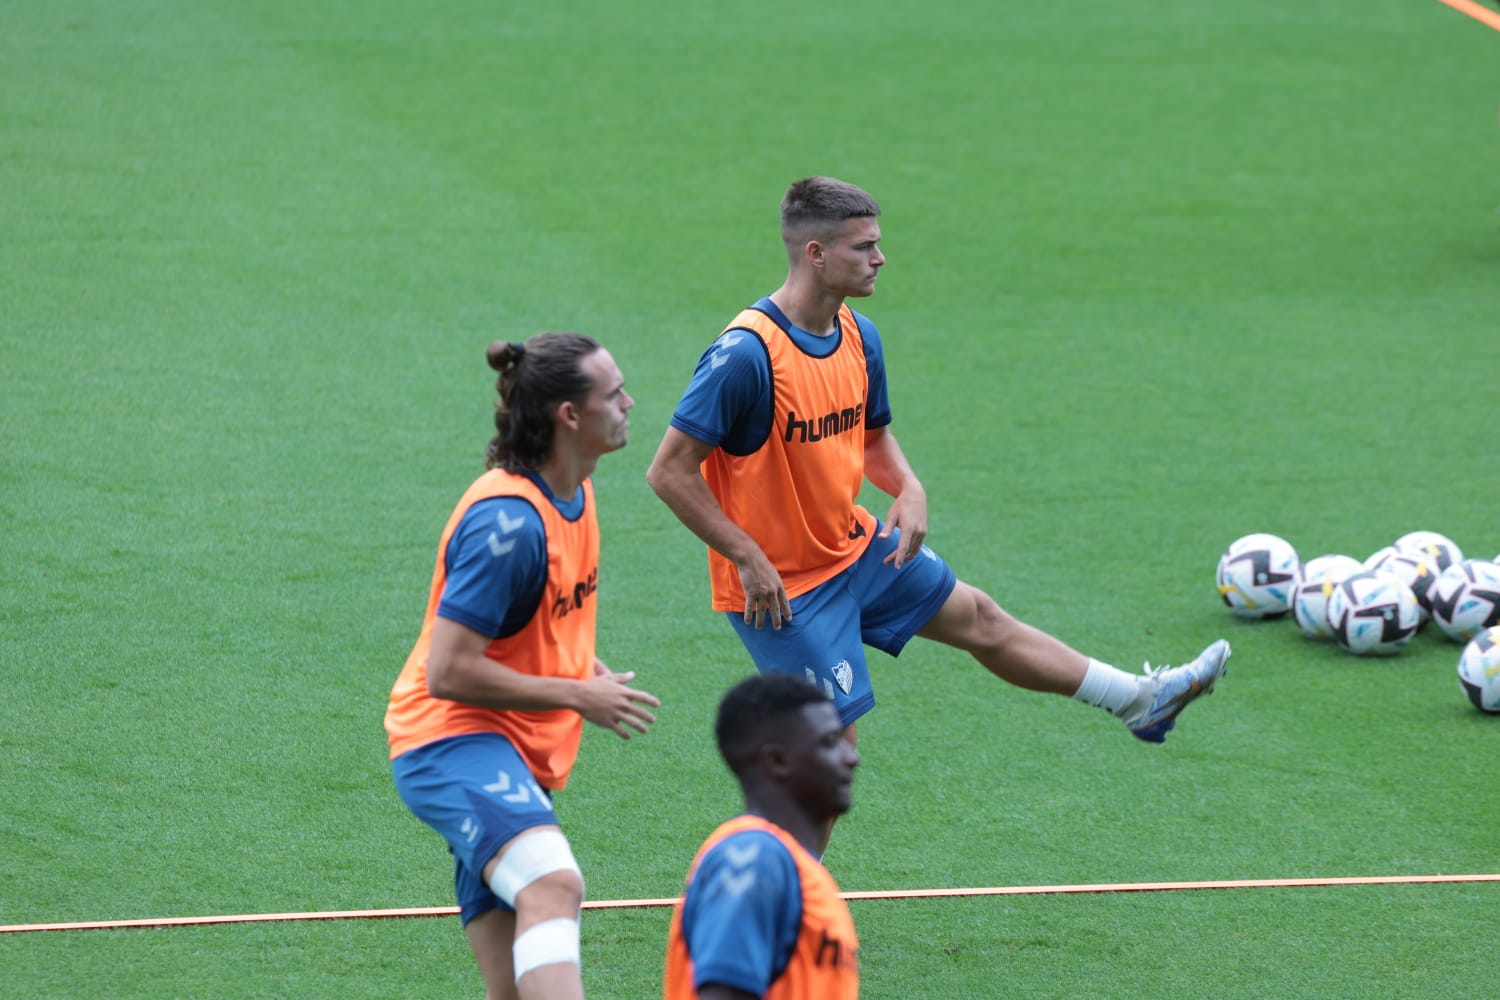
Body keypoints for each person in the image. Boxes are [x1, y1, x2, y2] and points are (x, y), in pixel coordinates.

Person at [645, 176, 1229, 782]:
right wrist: (745, 555)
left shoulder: (856, 335)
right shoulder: (747, 355)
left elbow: (869, 437)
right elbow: (668, 471)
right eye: (863, 247)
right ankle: (783, 879)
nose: (880, 259)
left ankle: (1141, 701)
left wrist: (909, 488)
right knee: (829, 755)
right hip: (784, 588)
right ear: (815, 254)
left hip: (852, 548)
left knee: (981, 618)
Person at [385, 333, 660, 1000]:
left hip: (505, 750)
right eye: (613, 392)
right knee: (553, 883)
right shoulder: (507, 526)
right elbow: (447, 672)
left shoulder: (576, 492)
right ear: (570, 414)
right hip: (450, 742)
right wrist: (576, 693)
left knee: (510, 990)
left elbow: (544, 620)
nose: (630, 402)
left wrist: (580, 669)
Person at [664, 673, 861, 999]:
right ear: (777, 761)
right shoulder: (754, 857)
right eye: (829, 743)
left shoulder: (798, 868)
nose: (852, 757)